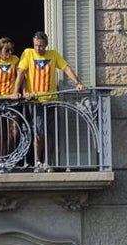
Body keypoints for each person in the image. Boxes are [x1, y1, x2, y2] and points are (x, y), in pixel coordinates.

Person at [13, 32, 86, 170]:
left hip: (52, 100)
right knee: (39, 133)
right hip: (36, 101)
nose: (38, 48)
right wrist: (17, 91)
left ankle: (48, 162)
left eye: (41, 46)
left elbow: (66, 68)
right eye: (36, 45)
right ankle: (37, 162)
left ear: (46, 44)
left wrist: (78, 83)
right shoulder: (28, 53)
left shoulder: (53, 54)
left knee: (51, 133)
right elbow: (21, 72)